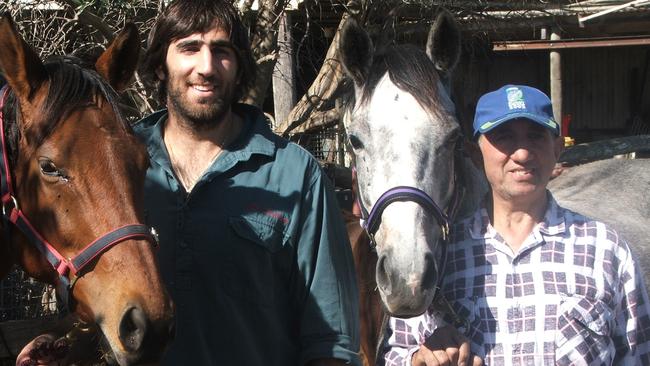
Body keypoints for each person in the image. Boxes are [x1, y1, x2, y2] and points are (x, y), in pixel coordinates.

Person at [17, 1, 361, 365]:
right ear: (160, 65)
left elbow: (332, 343)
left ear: (240, 65)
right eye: (189, 48)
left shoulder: (296, 175)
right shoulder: (115, 167)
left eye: (222, 51)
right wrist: (64, 340)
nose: (206, 67)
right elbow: (107, 300)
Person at [381, 85, 650, 365]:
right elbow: (396, 352)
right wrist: (418, 359)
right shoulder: (441, 257)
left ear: (557, 149)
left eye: (535, 136)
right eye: (504, 137)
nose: (522, 154)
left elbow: (639, 355)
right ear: (475, 154)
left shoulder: (605, 249)